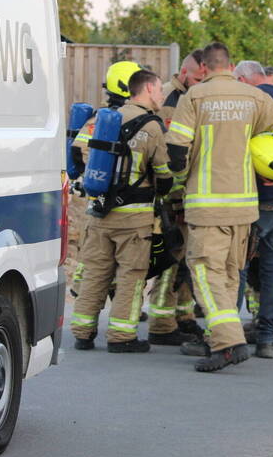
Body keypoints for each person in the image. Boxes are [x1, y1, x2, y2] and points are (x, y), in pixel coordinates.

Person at [165, 42, 273, 372]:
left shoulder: (194, 97)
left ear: (204, 68)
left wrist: (183, 178)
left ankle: (228, 342)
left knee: (205, 272)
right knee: (229, 274)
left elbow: (176, 151)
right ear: (230, 66)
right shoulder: (254, 97)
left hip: (207, 206)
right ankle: (221, 342)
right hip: (244, 207)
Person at [70, 68, 172, 352]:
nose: (162, 95)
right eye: (159, 90)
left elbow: (77, 153)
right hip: (134, 219)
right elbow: (164, 175)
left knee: (95, 273)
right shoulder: (152, 127)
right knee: (131, 275)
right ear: (148, 89)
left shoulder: (101, 119)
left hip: (98, 212)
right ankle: (121, 336)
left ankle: (82, 332)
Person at [231, 60, 273, 359]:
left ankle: (226, 337)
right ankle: (267, 339)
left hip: (259, 196)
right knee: (272, 266)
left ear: (243, 80)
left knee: (239, 264)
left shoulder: (252, 101)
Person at [147, 50, 207, 345]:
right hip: (171, 199)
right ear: (184, 74)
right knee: (171, 261)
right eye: (197, 78)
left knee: (187, 262)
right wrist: (173, 200)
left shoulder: (195, 98)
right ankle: (161, 324)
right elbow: (166, 156)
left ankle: (184, 317)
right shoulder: (169, 100)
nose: (201, 83)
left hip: (190, 196)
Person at [69, 60, 142, 298]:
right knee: (104, 251)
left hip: (98, 197)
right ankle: (92, 291)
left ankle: (84, 290)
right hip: (116, 199)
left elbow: (78, 150)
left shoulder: (102, 118)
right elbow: (80, 148)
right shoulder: (125, 119)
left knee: (94, 250)